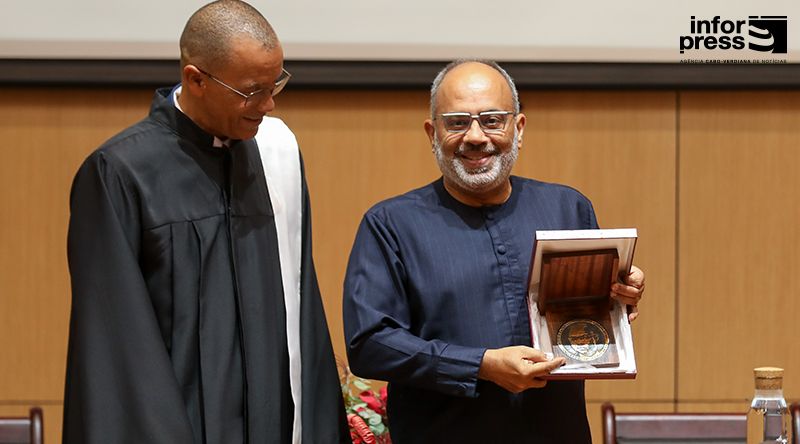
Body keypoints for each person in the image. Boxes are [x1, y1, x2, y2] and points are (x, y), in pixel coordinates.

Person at [63, 1, 348, 443]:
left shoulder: (275, 156)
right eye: (252, 91)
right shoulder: (121, 173)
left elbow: (301, 310)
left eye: (276, 84)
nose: (269, 104)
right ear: (196, 79)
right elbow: (115, 342)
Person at [342, 59, 645, 443]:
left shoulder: (568, 209)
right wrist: (480, 365)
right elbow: (369, 344)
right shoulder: (390, 224)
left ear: (518, 128)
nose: (475, 136)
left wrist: (622, 293)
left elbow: (593, 312)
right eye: (456, 122)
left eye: (492, 120)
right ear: (432, 133)